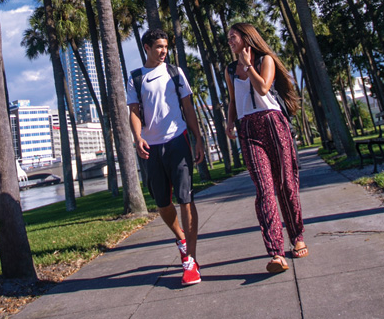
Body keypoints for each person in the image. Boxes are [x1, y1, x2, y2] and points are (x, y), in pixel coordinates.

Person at [224, 22, 308, 273]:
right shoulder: (229, 69)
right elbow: (232, 100)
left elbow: (262, 88)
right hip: (248, 128)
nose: (230, 41)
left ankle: (297, 235)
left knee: (286, 184)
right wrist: (230, 122)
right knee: (265, 189)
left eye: (233, 37)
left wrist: (249, 65)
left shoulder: (265, 60)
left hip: (273, 123)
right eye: (228, 38)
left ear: (246, 38)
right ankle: (276, 253)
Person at [127, 28, 205, 286]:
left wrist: (198, 138)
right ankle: (182, 239)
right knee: (162, 203)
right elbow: (135, 112)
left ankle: (190, 261)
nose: (164, 51)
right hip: (152, 146)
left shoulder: (175, 72)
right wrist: (138, 138)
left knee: (185, 198)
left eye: (166, 47)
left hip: (177, 140)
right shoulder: (136, 78)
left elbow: (188, 108)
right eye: (159, 46)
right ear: (146, 48)